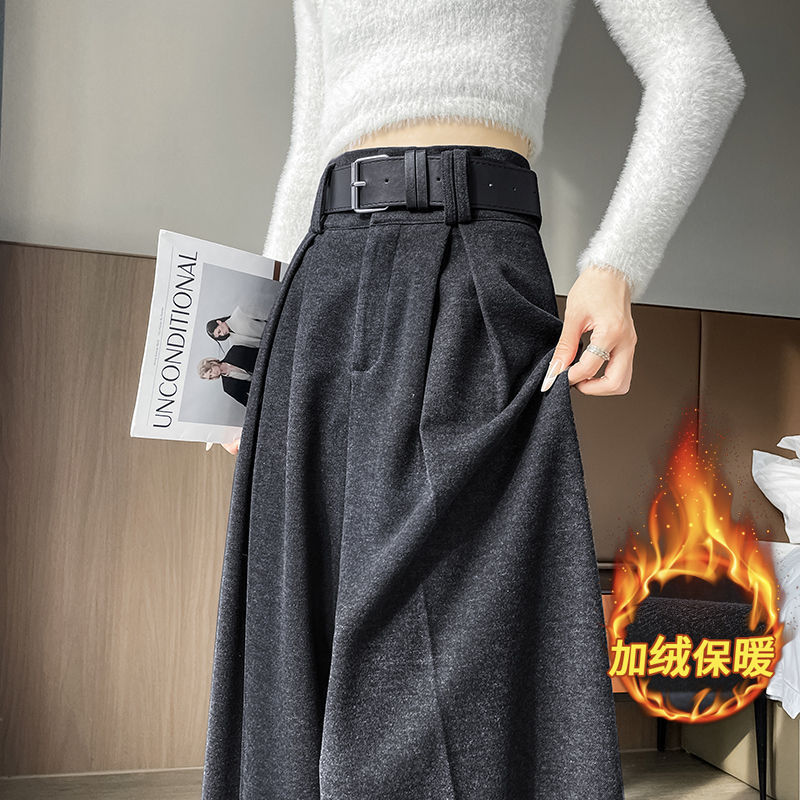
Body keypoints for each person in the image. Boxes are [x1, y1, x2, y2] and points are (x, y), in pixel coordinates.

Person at [201, 1, 746, 797]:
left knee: (452, 674)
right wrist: (250, 356)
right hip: (321, 288)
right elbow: (312, 136)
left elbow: (700, 69)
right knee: (291, 656)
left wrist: (617, 265)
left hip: (475, 271)